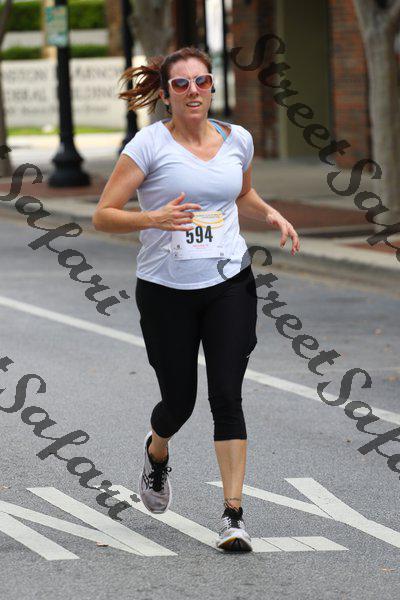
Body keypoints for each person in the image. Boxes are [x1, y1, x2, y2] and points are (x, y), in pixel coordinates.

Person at [92, 46, 300, 552]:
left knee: (227, 395)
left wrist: (270, 213)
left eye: (201, 81)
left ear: (212, 87)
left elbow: (240, 193)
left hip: (229, 283)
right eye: (181, 84)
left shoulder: (238, 139)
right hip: (166, 291)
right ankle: (156, 449)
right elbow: (103, 214)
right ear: (165, 95)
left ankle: (233, 516)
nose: (193, 91)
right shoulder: (148, 145)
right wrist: (152, 218)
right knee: (179, 402)